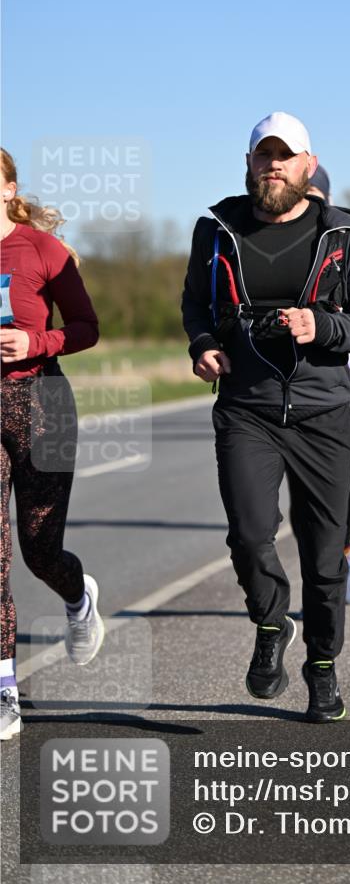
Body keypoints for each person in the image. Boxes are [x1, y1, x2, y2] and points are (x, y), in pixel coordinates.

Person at [181, 113, 350, 721]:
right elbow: (196, 300)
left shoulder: (348, 235)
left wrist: (322, 325)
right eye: (262, 156)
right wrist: (202, 344)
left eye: (284, 155)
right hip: (246, 408)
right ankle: (271, 622)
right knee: (249, 533)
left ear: (308, 163)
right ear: (249, 164)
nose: (272, 165)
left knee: (325, 554)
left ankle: (322, 666)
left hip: (322, 411)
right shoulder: (216, 228)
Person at [0, 148, 104, 742]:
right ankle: (6, 688)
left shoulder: (42, 249)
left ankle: (77, 594)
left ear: (9, 189)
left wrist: (37, 343)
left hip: (42, 405)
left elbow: (87, 328)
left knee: (40, 552)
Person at [305, 165, 350, 606]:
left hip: (336, 380)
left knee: (330, 489)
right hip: (277, 390)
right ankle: (319, 584)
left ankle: (344, 553)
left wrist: (328, 323)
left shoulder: (347, 243)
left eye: (312, 196)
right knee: (296, 502)